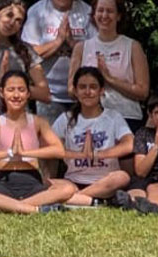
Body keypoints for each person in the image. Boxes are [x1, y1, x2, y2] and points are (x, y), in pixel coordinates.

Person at [0, 71, 76, 214]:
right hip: (4, 180)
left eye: (21, 90)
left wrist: (26, 153)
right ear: (2, 93)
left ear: (28, 94)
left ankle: (6, 206)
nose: (16, 95)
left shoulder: (38, 121)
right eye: (11, 90)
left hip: (32, 180)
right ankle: (33, 209)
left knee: (68, 189)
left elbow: (59, 151)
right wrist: (8, 153)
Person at [51, 66, 134, 207]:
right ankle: (96, 201)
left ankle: (76, 198)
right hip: (73, 181)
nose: (88, 92)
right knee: (47, 184)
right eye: (82, 87)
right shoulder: (66, 118)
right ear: (75, 91)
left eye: (93, 87)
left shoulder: (113, 117)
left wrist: (98, 155)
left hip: (105, 181)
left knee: (122, 177)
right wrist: (78, 155)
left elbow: (129, 144)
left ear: (101, 91)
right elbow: (50, 148)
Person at [23, 0, 90, 118]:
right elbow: (27, 54)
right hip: (49, 95)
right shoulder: (37, 12)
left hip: (83, 94)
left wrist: (73, 44)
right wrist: (58, 41)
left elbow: (97, 52)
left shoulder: (87, 12)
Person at [82, 0, 151, 124]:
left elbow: (143, 92)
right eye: (100, 10)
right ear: (94, 15)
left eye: (110, 11)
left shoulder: (133, 46)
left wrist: (109, 79)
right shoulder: (82, 47)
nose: (104, 15)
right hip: (92, 118)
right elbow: (72, 89)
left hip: (126, 117)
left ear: (119, 16)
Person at [127, 96, 158, 214]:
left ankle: (154, 208)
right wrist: (156, 146)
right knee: (136, 193)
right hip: (145, 178)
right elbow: (140, 171)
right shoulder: (143, 134)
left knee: (156, 191)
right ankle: (135, 204)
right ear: (150, 115)